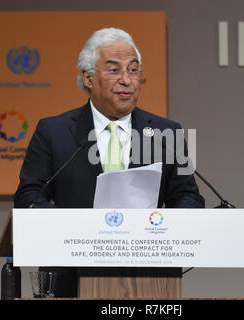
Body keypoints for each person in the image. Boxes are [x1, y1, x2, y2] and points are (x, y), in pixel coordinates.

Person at [14, 27, 204, 297]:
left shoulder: (167, 133)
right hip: (70, 279)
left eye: (134, 70)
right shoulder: (53, 132)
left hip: (151, 280)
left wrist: (163, 227)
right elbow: (29, 196)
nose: (126, 80)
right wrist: (74, 229)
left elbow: (189, 196)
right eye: (114, 70)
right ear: (88, 78)